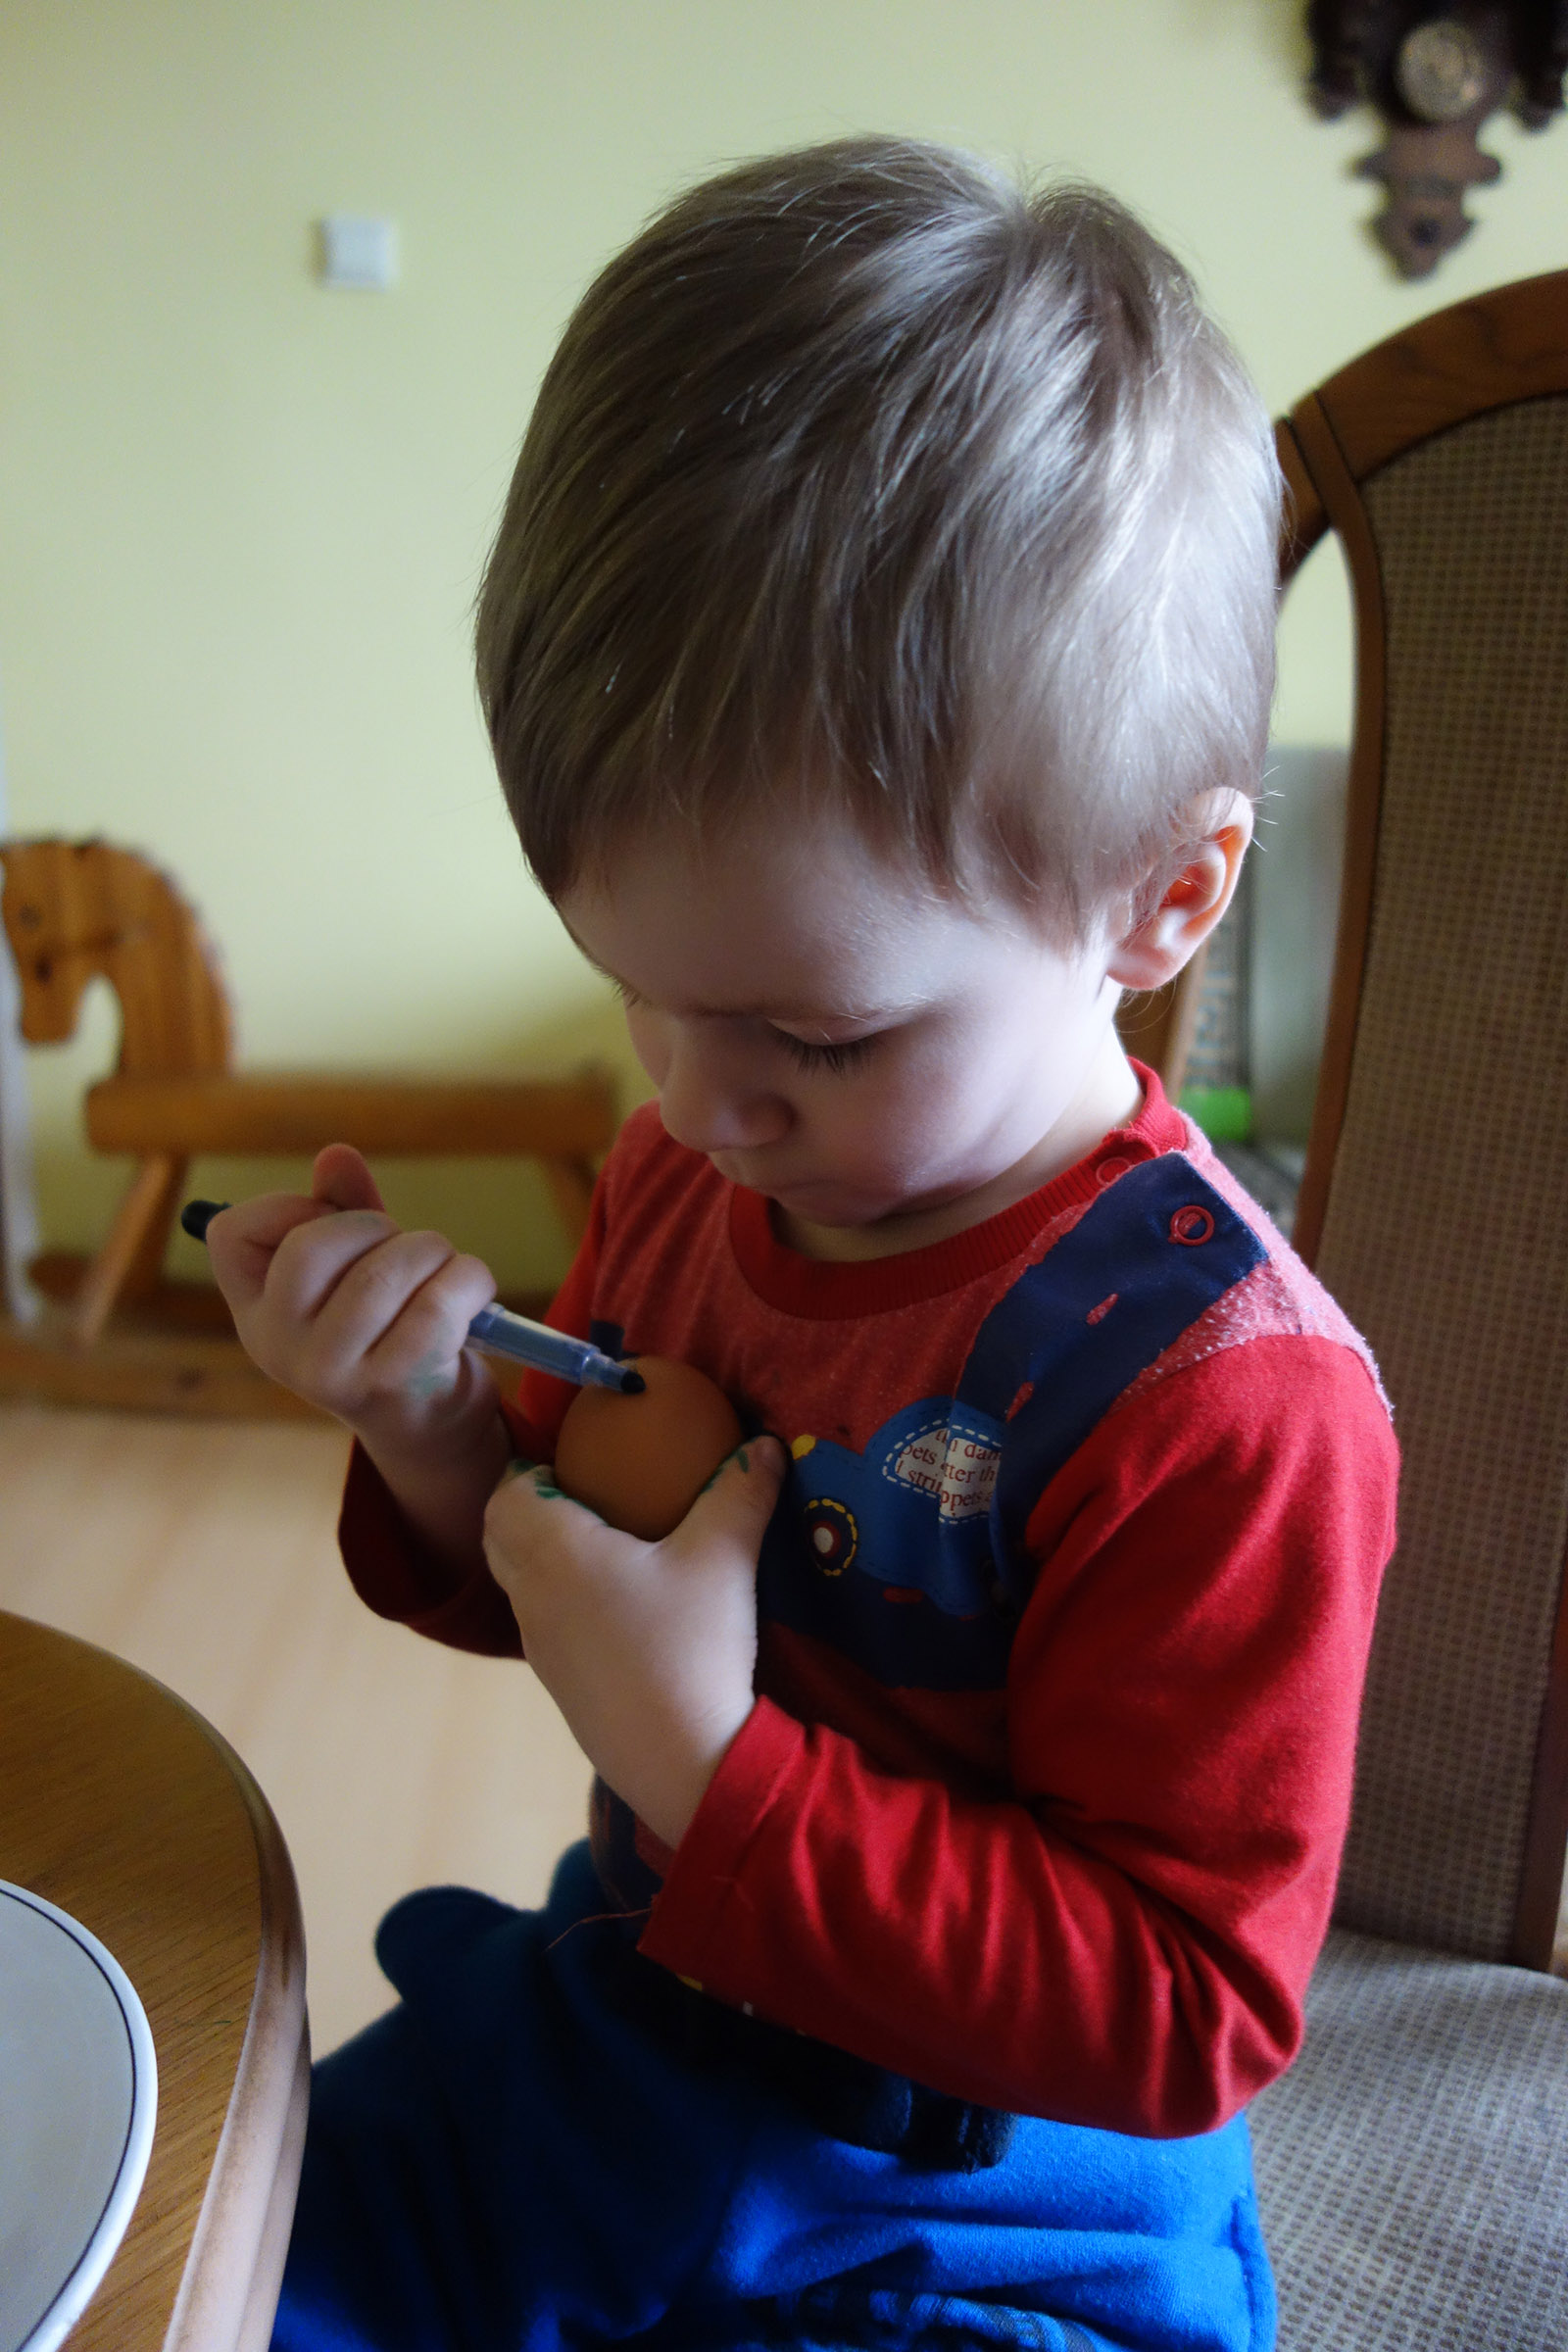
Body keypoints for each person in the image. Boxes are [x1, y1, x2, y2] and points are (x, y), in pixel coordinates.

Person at [210, 138, 1398, 2352]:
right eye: (635, 992)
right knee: (191, 2250)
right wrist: (435, 1439)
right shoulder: (705, 1168)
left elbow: (1181, 2007)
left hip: (985, 2215)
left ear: (1160, 900)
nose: (694, 1104)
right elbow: (585, 1554)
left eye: (819, 1037)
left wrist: (707, 1768)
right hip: (624, 2040)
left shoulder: (1224, 1404)